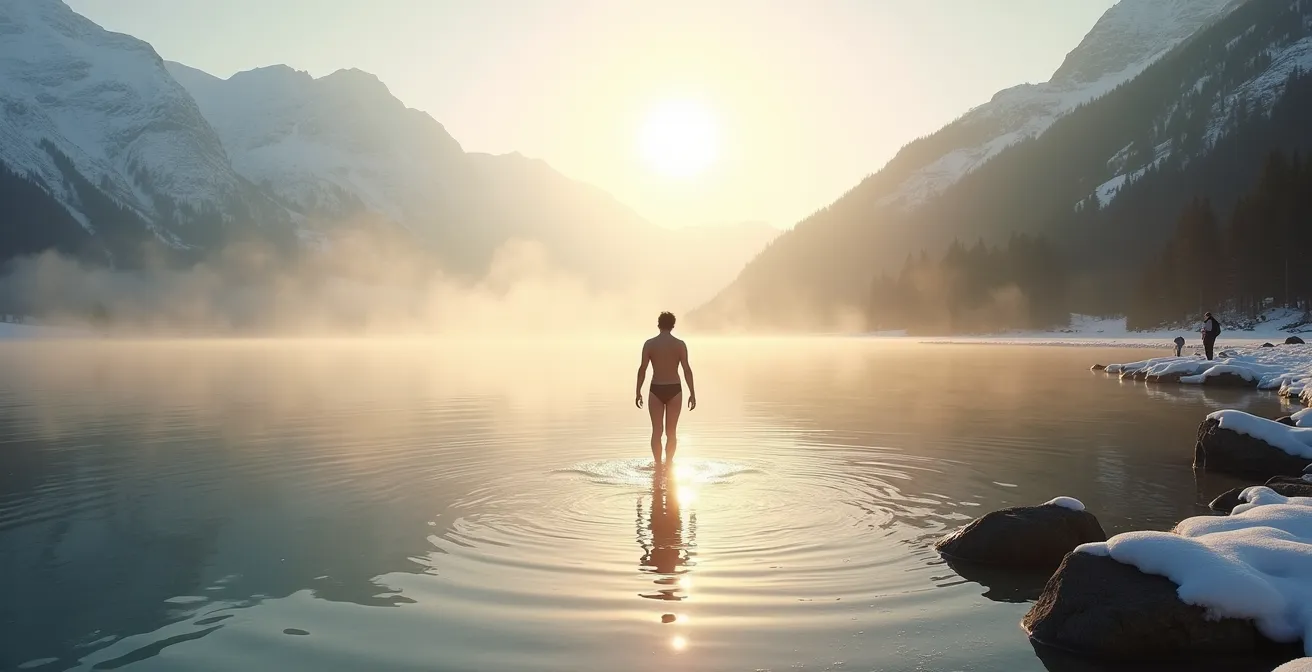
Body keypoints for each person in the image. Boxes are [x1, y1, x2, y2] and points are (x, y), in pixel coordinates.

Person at [635, 312, 697, 467]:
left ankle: (657, 465)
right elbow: (686, 370)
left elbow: (642, 369)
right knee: (671, 432)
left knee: (657, 431)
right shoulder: (679, 344)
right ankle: (668, 464)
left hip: (656, 389)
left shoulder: (649, 344)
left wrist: (638, 391)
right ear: (673, 325)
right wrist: (692, 393)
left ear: (658, 324)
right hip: (675, 390)